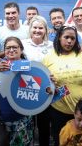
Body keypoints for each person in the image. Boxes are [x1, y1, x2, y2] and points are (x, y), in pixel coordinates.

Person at [42, 25, 82, 146]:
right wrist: (48, 86)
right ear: (59, 38)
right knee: (61, 142)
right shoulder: (48, 58)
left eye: (73, 38)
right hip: (59, 111)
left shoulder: (81, 55)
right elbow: (43, 85)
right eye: (66, 37)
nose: (69, 41)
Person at [0, 37, 34, 146]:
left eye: (14, 47)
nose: (11, 50)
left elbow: (38, 88)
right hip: (3, 116)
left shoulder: (30, 66)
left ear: (21, 49)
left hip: (22, 116)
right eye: (8, 48)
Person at [21, 15, 53, 146]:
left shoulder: (52, 46)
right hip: (26, 88)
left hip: (45, 89)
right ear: (30, 29)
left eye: (41, 28)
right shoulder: (22, 44)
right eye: (35, 27)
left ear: (45, 30)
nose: (37, 30)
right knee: (28, 124)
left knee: (44, 124)